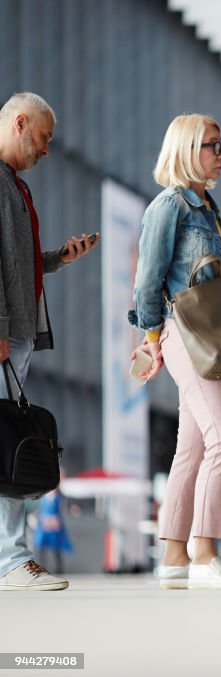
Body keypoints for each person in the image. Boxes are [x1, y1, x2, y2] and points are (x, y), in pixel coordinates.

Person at [130, 113, 221, 590]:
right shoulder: (170, 206)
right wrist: (153, 338)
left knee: (194, 446)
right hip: (184, 331)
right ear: (185, 149)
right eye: (211, 146)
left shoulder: (206, 208)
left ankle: (174, 557)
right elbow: (148, 280)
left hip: (208, 334)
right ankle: (205, 553)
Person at [0, 92, 99, 591]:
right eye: (43, 137)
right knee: (7, 444)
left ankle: (11, 559)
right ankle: (11, 560)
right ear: (20, 123)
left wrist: (58, 258)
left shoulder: (13, 186)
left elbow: (15, 261)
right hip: (4, 333)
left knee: (7, 442)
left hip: (15, 332)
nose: (46, 149)